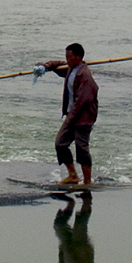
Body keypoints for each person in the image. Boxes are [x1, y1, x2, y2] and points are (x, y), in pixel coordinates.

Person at [42, 42, 99, 188]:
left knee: (82, 148)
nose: (66, 59)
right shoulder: (71, 68)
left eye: (69, 57)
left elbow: (82, 101)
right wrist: (45, 66)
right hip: (72, 115)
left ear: (78, 57)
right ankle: (72, 175)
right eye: (66, 56)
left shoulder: (84, 75)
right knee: (60, 144)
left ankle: (86, 181)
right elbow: (58, 65)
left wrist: (69, 119)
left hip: (83, 117)